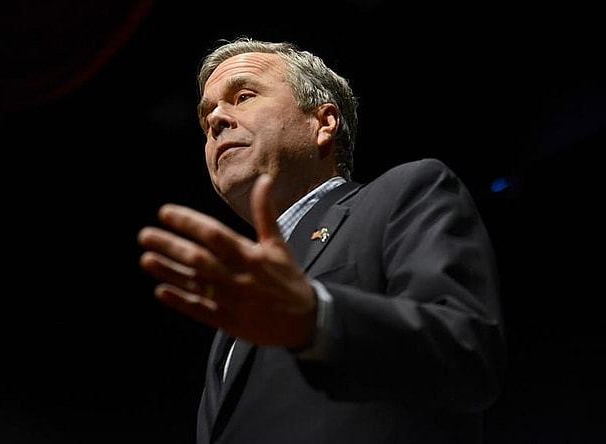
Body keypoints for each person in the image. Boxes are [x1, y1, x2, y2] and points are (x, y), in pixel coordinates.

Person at [137, 36, 506, 444]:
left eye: (243, 97)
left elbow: (467, 355)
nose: (217, 120)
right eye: (207, 118)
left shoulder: (405, 194)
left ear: (323, 123)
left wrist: (318, 318)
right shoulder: (237, 308)